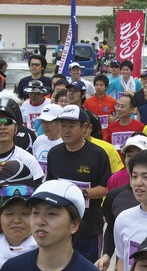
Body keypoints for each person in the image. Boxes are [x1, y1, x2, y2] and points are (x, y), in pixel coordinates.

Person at [45, 105, 113, 262]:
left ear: (85, 128)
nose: (66, 130)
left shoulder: (98, 154)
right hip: (61, 226)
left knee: (89, 270)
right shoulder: (54, 153)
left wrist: (79, 194)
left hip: (89, 226)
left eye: (71, 126)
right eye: (62, 125)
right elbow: (50, 183)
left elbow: (105, 188)